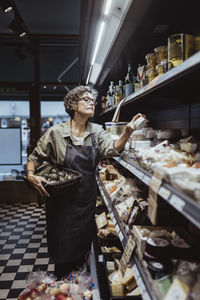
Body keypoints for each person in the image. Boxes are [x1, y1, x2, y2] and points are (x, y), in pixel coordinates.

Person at [26, 85, 144, 279]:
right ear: (73, 105)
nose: (92, 103)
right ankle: (63, 288)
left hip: (84, 202)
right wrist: (31, 175)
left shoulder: (97, 132)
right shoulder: (55, 133)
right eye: (87, 99)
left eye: (93, 100)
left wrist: (128, 132)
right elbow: (35, 157)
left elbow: (112, 149)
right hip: (61, 206)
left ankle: (79, 289)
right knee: (63, 255)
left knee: (81, 254)